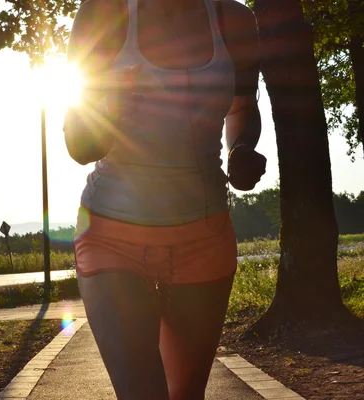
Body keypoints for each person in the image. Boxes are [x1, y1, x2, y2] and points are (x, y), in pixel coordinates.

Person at [63, 0, 267, 399]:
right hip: (111, 235)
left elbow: (242, 106)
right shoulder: (104, 12)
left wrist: (240, 149)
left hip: (204, 238)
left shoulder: (234, 19)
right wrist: (111, 110)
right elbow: (79, 144)